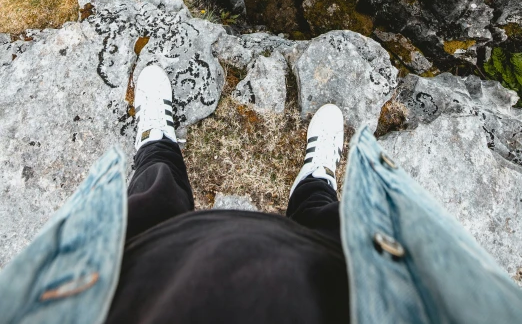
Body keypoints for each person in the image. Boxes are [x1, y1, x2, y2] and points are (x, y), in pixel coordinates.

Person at [2, 64, 522, 324]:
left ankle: (158, 146)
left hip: (134, 282)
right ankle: (314, 181)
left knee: (152, 198)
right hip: (344, 292)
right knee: (325, 217)